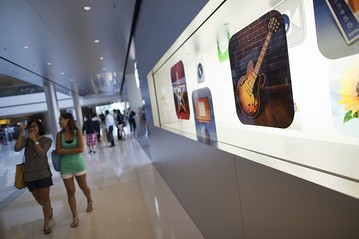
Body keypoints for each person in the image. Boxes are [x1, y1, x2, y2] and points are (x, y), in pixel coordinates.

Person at [14, 118, 53, 234]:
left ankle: (46, 224)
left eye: (35, 126)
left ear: (40, 127)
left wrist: (35, 140)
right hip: (29, 175)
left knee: (45, 199)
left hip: (43, 174)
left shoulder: (47, 140)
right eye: (30, 127)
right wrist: (21, 134)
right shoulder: (27, 140)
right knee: (38, 199)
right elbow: (16, 148)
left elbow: (41, 154)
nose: (32, 128)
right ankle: (49, 209)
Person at [55, 112, 93, 228]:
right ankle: (75, 216)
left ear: (67, 120)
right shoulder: (59, 135)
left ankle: (89, 200)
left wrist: (64, 152)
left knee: (83, 187)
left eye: (61, 119)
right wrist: (70, 150)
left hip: (78, 164)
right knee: (70, 191)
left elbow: (80, 149)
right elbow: (58, 150)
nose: (59, 122)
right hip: (65, 166)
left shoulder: (77, 132)